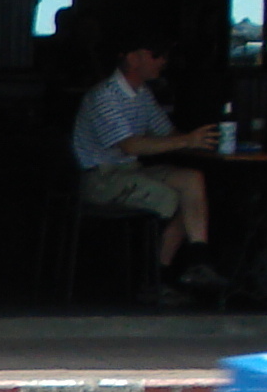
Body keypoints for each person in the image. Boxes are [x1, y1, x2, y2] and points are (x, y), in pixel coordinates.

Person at [71, 34, 215, 303]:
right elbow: (130, 146)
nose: (163, 61)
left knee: (191, 180)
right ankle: (156, 279)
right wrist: (187, 140)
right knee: (174, 198)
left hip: (129, 171)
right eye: (155, 54)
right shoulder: (105, 96)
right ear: (132, 57)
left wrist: (204, 142)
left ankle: (198, 261)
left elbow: (166, 133)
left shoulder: (142, 94)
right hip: (101, 177)